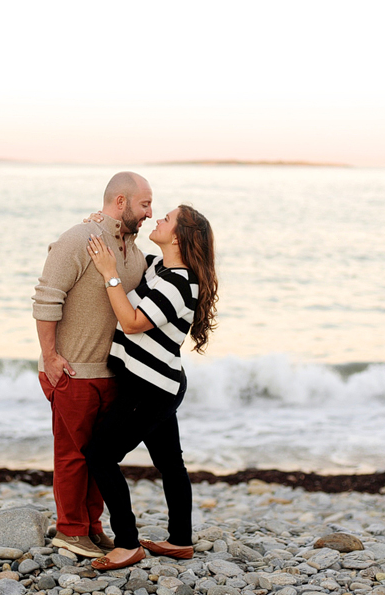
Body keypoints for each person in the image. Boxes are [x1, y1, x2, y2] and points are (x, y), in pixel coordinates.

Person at [82, 204, 218, 570]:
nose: (158, 218)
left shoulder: (179, 283)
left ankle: (127, 543)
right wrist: (102, 224)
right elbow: (129, 252)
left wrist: (109, 274)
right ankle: (180, 541)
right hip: (158, 381)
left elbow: (131, 322)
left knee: (99, 454)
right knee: (169, 463)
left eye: (167, 218)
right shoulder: (160, 267)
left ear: (178, 236)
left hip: (151, 388)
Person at [32, 172, 153, 558]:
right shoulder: (78, 239)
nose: (151, 212)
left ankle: (91, 527)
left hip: (110, 371)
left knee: (100, 456)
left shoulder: (131, 250)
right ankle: (69, 531)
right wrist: (50, 357)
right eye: (145, 204)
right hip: (72, 370)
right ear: (121, 202)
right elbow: (46, 300)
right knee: (72, 455)